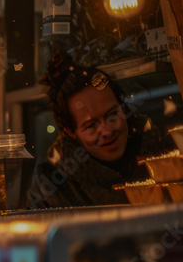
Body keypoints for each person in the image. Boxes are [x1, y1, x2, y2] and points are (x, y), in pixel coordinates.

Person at [28, 51, 168, 208]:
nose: (107, 131)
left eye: (112, 116)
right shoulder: (50, 187)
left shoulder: (166, 155)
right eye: (91, 126)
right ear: (70, 131)